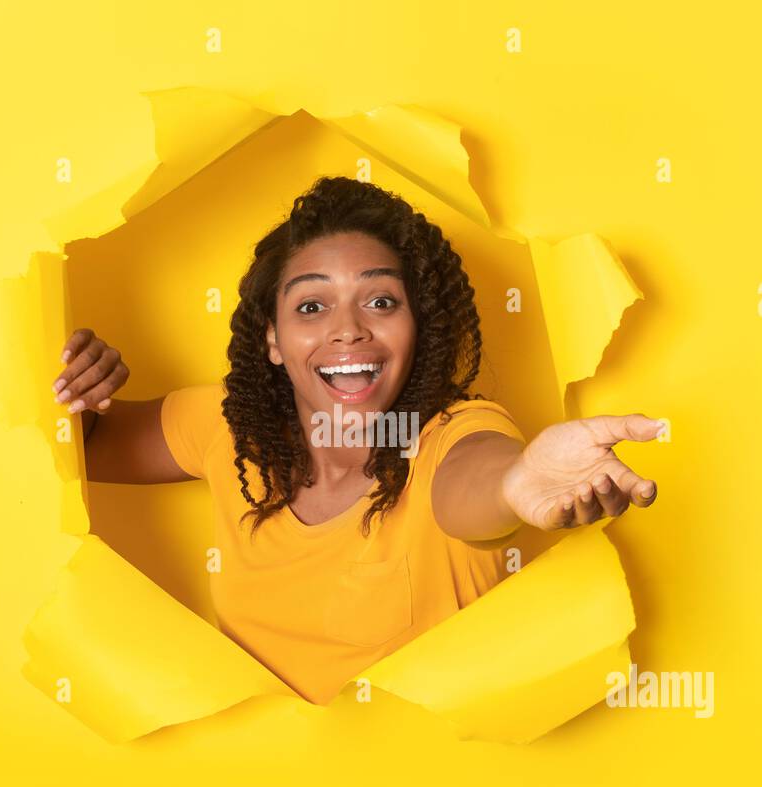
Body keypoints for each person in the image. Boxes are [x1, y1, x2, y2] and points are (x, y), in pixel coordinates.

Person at [50, 175, 663, 703]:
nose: (348, 330)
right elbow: (81, 446)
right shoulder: (229, 426)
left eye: (379, 300)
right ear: (272, 339)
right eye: (312, 307)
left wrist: (519, 481)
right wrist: (79, 380)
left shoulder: (456, 435)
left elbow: (477, 482)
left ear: (417, 327)